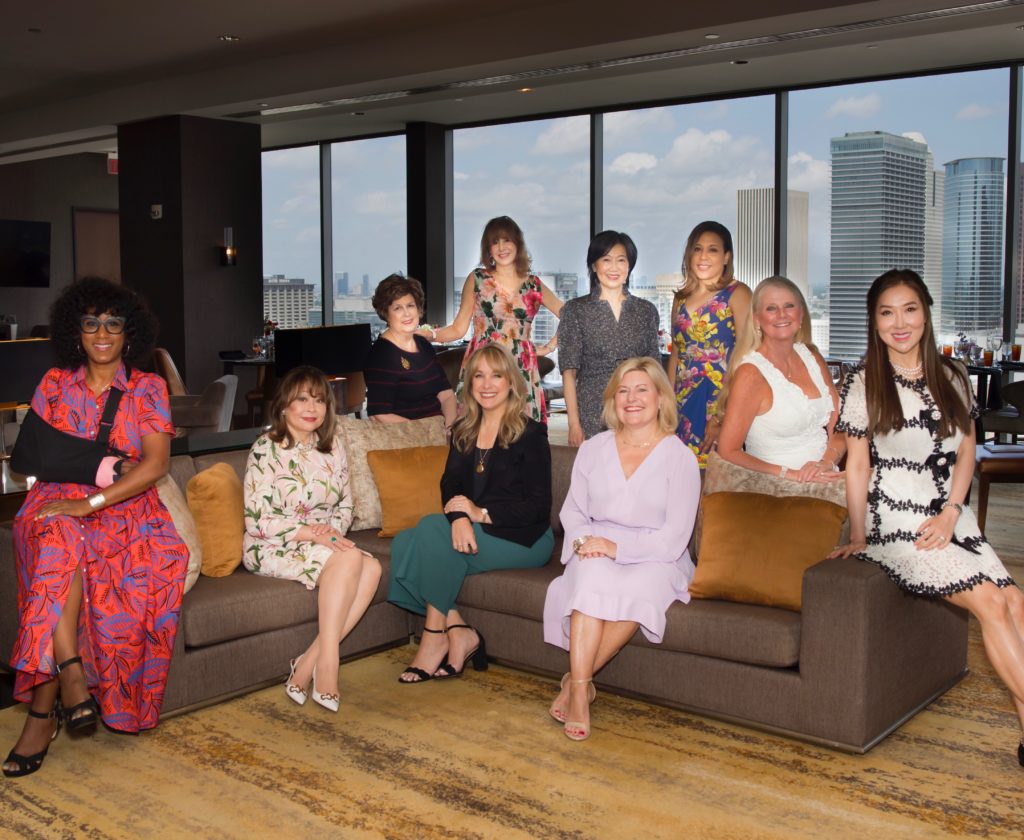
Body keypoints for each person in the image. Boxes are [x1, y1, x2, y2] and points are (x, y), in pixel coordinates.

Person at [829, 269, 1024, 767]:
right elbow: (858, 464)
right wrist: (859, 532)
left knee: (1015, 601)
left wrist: (953, 512)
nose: (900, 322)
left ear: (926, 313)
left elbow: (966, 449)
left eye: (909, 309)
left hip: (950, 516)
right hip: (898, 521)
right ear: (874, 322)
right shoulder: (863, 382)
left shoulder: (953, 374)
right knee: (989, 602)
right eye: (886, 312)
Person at [5, 277, 187, 778]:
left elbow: (154, 465)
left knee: (61, 551)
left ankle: (44, 714)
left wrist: (91, 501)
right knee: (54, 537)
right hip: (53, 498)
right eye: (91, 323)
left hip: (126, 508)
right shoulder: (54, 384)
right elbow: (30, 459)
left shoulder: (147, 388)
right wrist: (78, 496)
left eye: (113, 323)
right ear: (76, 331)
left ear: (130, 333)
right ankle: (72, 679)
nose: (102, 333)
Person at [543, 357, 700, 741]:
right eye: (623, 391)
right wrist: (584, 544)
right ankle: (582, 690)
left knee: (642, 588)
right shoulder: (594, 448)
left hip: (657, 554)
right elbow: (574, 511)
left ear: (661, 398)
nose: (631, 399)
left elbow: (675, 536)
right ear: (612, 401)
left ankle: (575, 683)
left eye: (642, 389)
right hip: (595, 542)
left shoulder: (680, 457)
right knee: (592, 573)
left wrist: (618, 548)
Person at [388, 343, 553, 683]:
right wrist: (460, 517)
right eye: (479, 376)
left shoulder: (531, 434)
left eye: (496, 376)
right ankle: (460, 630)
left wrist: (480, 514)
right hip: (479, 529)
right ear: (470, 383)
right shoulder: (465, 430)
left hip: (524, 537)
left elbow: (539, 506)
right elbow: (450, 485)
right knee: (406, 542)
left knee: (430, 531)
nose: (487, 384)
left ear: (511, 383)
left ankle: (433, 638)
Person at [243, 366, 381, 713]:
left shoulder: (332, 447)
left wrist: (331, 531)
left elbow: (346, 504)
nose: (312, 407)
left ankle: (306, 662)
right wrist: (313, 534)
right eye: (302, 398)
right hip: (273, 544)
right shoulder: (266, 449)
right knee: (353, 560)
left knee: (374, 567)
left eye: (319, 400)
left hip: (321, 539)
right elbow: (257, 518)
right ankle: (328, 668)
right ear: (284, 404)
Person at [421, 216, 563, 423]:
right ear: (488, 248)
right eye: (494, 242)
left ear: (518, 244)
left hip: (519, 365)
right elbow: (458, 329)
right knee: (478, 428)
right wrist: (430, 335)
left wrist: (549, 347)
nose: (501, 247)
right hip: (483, 364)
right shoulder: (477, 279)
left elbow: (571, 315)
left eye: (507, 240)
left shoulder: (534, 284)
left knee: (520, 432)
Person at [716, 276, 845, 481]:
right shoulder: (750, 374)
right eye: (771, 308)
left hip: (826, 479)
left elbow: (840, 427)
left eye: (789, 306)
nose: (782, 314)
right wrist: (791, 475)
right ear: (757, 318)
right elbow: (728, 450)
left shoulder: (812, 357)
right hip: (775, 491)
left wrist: (825, 464)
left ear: (801, 313)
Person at [558, 231, 661, 445]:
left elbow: (655, 371)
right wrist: (574, 424)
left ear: (629, 266)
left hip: (636, 407)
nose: (614, 268)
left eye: (621, 260)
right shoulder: (575, 310)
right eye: (606, 260)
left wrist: (658, 416)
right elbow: (569, 372)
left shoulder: (646, 311)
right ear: (594, 266)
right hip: (593, 411)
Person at [668, 221, 752, 468]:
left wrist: (722, 416)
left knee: (716, 479)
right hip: (681, 404)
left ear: (726, 256)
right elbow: (676, 354)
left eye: (712, 249)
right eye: (697, 249)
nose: (703, 256)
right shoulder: (680, 299)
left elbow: (747, 358)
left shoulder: (738, 294)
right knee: (681, 477)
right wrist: (668, 406)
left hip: (723, 403)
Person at [364, 273, 456, 428]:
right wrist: (426, 433)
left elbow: (446, 394)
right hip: (407, 441)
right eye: (397, 308)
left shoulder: (423, 344)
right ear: (386, 314)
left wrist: (449, 428)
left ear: (418, 308)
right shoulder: (382, 355)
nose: (406, 313)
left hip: (439, 433)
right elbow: (379, 414)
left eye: (410, 305)